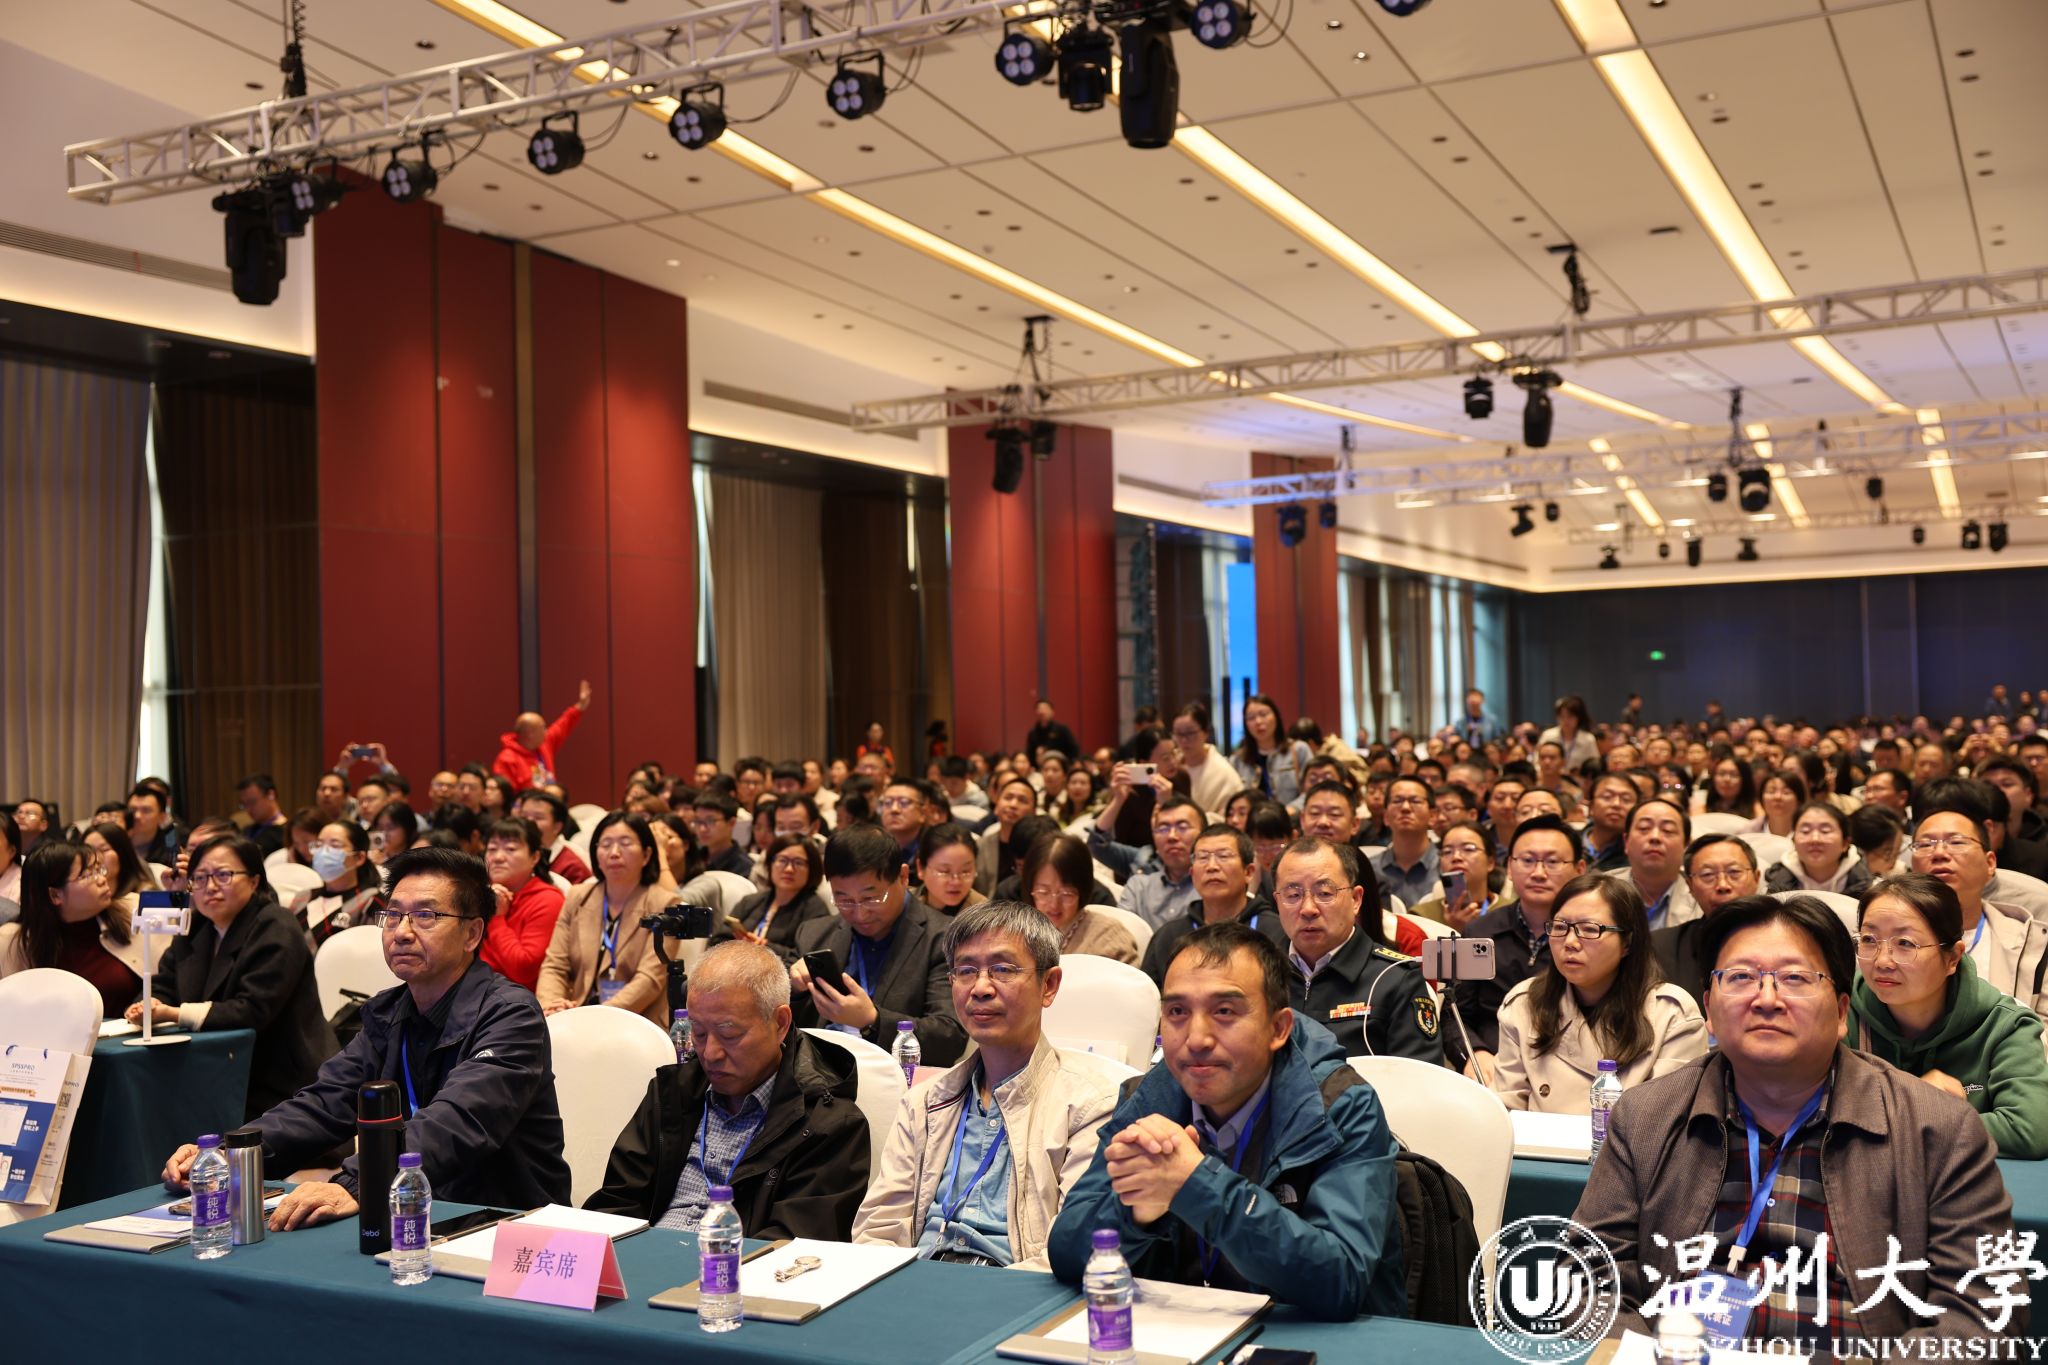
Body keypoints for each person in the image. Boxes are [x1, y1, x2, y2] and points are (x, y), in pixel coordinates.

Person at [1573, 894, 2023, 1349]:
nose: (1767, 999)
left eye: (1795, 978)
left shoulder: (1938, 1129)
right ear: (1709, 1009)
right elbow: (1584, 1281)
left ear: (1842, 1012)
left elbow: (1986, 1314)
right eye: (1741, 977)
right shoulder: (1646, 1117)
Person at [161, 846, 571, 1228]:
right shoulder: (388, 1013)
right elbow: (324, 1103)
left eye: (425, 916)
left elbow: (459, 1121)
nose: (402, 932)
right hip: (411, 1212)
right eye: (393, 915)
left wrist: (358, 1182)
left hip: (506, 1222)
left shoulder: (510, 1015)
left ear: (472, 934)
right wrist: (232, 1155)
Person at [1048, 921, 1406, 1320]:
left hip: (1303, 1339)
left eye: (1224, 1011)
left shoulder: (1342, 1106)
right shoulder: (1147, 1100)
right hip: (1180, 1333)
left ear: (1278, 1028)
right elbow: (1066, 1253)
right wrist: (1133, 1214)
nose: (1196, 1039)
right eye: (1177, 1012)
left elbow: (1342, 1280)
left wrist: (1194, 1183)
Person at [854, 901, 1118, 1267]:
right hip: (918, 1279)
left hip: (1018, 1287)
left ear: (1049, 985)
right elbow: (878, 1231)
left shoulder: (1090, 1106)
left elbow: (1074, 1252)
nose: (980, 988)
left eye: (1003, 969)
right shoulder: (924, 1102)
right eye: (965, 971)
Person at [586, 941, 870, 1236]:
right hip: (644, 1254)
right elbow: (617, 1204)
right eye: (698, 1032)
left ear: (780, 1023)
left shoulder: (829, 1124)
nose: (710, 1053)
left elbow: (792, 1246)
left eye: (729, 1034)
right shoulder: (672, 1093)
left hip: (739, 1261)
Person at [128, 834, 334, 1118]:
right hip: (212, 1067)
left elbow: (252, 1010)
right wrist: (146, 1004)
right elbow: (164, 984)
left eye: (223, 875)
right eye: (200, 878)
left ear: (254, 881)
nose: (210, 887)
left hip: (278, 1078)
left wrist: (173, 1014)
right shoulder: (196, 927)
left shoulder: (276, 925)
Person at [1847, 873, 2048, 1159]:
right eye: (1869, 939)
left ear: (1952, 957)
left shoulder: (2006, 1026)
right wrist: (1916, 1108)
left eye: (1905, 943)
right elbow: (1806, 1110)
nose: (1882, 961)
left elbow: (2029, 1130)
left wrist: (1909, 1120)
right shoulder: (1840, 1013)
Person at [1493, 874, 1706, 1113]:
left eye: (1589, 929)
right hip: (1536, 1138)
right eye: (1560, 927)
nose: (1570, 942)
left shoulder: (1672, 1014)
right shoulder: (1525, 1004)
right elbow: (1505, 1111)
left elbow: (1666, 1119)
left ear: (1627, 942)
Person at [790, 824, 967, 1066]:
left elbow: (949, 1036)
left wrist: (871, 1020)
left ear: (903, 877)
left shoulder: (945, 937)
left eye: (871, 898)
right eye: (844, 900)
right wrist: (795, 989)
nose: (860, 914)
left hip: (899, 1078)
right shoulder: (814, 934)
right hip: (818, 1073)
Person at [1274, 837, 1440, 1062]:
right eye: (1293, 895)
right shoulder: (1260, 973)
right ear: (1277, 901)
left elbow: (1419, 1078)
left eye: (1324, 893)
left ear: (1355, 899)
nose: (1308, 909)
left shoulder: (1397, 979)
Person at [1458, 815, 1585, 1080]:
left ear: (1579, 869)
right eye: (1527, 860)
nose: (1538, 873)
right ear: (1509, 866)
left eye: (1552, 862)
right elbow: (1457, 1013)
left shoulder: (1591, 935)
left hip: (1574, 1068)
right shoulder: (1479, 932)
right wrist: (1474, 1052)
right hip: (1493, 1066)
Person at [1909, 784, 2048, 1024]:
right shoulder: (1881, 937)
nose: (1939, 853)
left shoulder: (2034, 941)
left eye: (1956, 842)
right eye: (1925, 844)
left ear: (1990, 863)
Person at [537, 811, 676, 1028]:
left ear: (647, 854)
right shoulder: (578, 897)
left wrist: (597, 1017)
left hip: (638, 1023)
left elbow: (649, 980)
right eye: (606, 844)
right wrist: (551, 1007)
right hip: (578, 1015)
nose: (614, 853)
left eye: (625, 843)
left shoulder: (665, 905)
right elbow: (555, 965)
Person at [0, 841, 158, 1017]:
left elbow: (166, 982)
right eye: (88, 875)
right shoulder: (12, 943)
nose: (102, 880)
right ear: (55, 895)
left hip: (133, 1030)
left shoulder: (133, 911)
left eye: (99, 870)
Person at [1140, 824, 1282, 984]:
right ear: (1192, 873)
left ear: (1248, 872)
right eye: (1202, 857)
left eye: (1223, 856)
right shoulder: (1169, 936)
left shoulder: (1277, 932)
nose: (1212, 866)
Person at [1652, 834, 1763, 1001]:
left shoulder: (1788, 940)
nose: (1723, 885)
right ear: (1690, 885)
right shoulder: (1659, 948)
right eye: (1707, 874)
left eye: (1734, 872)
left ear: (1756, 878)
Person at [479, 817, 566, 992]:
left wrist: (496, 918)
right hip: (476, 991)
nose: (498, 857)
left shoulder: (547, 900)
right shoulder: (479, 893)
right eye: (492, 849)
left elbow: (524, 970)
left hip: (516, 1000)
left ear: (535, 857)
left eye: (510, 849)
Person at [1023, 833, 1139, 964]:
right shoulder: (1024, 932)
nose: (1054, 904)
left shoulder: (1109, 936)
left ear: (1082, 889)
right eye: (1043, 892)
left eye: (1066, 893)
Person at [718, 834, 833, 963]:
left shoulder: (815, 910)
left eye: (798, 862)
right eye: (782, 860)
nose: (789, 869)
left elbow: (808, 959)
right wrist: (740, 946)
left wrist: (764, 948)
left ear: (811, 869)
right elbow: (717, 940)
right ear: (770, 864)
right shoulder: (750, 901)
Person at [1106, 796, 1202, 932]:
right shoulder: (1138, 887)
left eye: (1182, 827)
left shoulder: (1214, 886)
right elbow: (1122, 935)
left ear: (1203, 836)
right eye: (1163, 829)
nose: (1172, 836)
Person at [290, 820, 385, 948]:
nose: (323, 852)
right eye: (319, 844)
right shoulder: (302, 897)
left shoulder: (371, 901)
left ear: (359, 858)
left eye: (335, 845)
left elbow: (375, 950)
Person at [1608, 797, 1699, 930]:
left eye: (1668, 830)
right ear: (1626, 841)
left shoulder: (1701, 897)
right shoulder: (1598, 891)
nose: (1655, 837)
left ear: (1686, 846)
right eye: (1644, 828)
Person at [492, 681, 593, 790]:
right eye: (542, 728)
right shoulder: (507, 759)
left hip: (549, 798)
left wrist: (580, 706)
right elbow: (505, 794)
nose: (546, 731)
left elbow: (561, 726)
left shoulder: (543, 744)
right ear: (530, 734)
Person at [1408, 819, 1508, 930]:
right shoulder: (1421, 917)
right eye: (1447, 851)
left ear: (1490, 862)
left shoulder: (1510, 913)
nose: (1456, 857)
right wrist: (1454, 930)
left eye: (1468, 849)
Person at [1761, 800, 1871, 898]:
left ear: (1845, 843)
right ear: (1794, 841)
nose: (1815, 839)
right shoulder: (1775, 888)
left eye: (1825, 831)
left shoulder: (1867, 887)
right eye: (1805, 831)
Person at [1230, 694, 1316, 811]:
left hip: (1292, 818)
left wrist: (1292, 809)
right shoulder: (1237, 760)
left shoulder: (1299, 750)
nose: (1258, 721)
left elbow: (1313, 790)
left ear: (1276, 716)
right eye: (1251, 718)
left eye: (1263, 714)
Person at [1370, 777, 1439, 911]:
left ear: (1432, 815)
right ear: (1385, 816)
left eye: (1415, 801)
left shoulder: (1447, 866)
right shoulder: (1369, 869)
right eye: (1397, 801)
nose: (1405, 808)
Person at [1171, 701, 1242, 818]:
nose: (1184, 740)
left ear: (1205, 733)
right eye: (1179, 734)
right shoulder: (1172, 764)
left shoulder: (1223, 773)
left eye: (1190, 733)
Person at [974, 776, 1042, 895]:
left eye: (1022, 800)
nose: (1013, 805)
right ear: (996, 806)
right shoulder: (979, 846)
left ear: (1034, 812)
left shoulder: (1040, 849)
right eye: (1008, 797)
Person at [81, 820, 159, 916]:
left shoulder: (144, 895)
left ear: (122, 853)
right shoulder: (84, 900)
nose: (96, 859)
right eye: (89, 852)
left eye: (104, 849)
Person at [514, 789, 590, 885]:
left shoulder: (573, 866)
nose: (528, 822)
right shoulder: (511, 855)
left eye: (538, 817)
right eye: (524, 817)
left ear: (557, 827)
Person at [916, 822, 987, 917]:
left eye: (965, 871)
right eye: (944, 871)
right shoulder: (903, 903)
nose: (956, 882)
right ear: (921, 868)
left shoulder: (986, 916)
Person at [1582, 774, 1637, 872]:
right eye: (1607, 797)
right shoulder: (1569, 843)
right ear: (1591, 806)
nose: (1616, 804)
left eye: (1626, 799)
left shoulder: (1636, 856)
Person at [125, 783, 186, 866]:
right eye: (133, 809)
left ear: (162, 817)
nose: (137, 816)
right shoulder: (116, 842)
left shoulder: (170, 845)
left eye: (146, 810)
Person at [1539, 694, 1599, 773]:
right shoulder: (1548, 735)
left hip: (1577, 779)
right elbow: (1537, 760)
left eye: (1570, 716)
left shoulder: (1587, 739)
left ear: (1578, 718)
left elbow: (1594, 765)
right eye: (1562, 716)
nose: (1565, 720)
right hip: (1551, 778)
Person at [235, 773, 290, 856]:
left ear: (271, 795)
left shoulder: (286, 833)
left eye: (252, 802)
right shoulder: (247, 830)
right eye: (244, 804)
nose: (248, 809)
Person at [1704, 753, 1759, 820]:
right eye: (1721, 774)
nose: (1727, 779)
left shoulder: (1756, 810)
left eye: (1734, 775)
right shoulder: (1702, 809)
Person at [1024, 699, 1081, 763]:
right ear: (1036, 712)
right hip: (1039, 766)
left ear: (1052, 712)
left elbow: (1074, 750)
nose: (1042, 712)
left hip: (1060, 764)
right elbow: (1029, 753)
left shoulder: (1062, 729)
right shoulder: (1033, 733)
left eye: (1045, 708)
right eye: (1040, 709)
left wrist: (1067, 763)